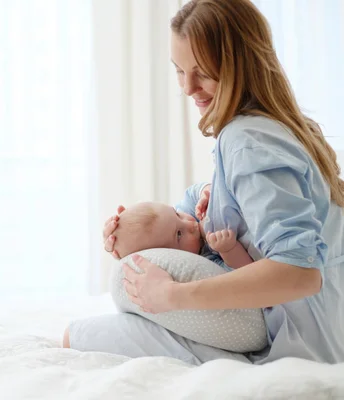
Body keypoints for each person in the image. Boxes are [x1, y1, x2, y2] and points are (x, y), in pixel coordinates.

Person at [63, 0, 344, 365]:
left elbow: (300, 273)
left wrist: (173, 296)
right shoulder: (283, 128)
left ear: (243, 64)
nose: (189, 88)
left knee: (90, 323)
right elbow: (249, 209)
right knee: (119, 294)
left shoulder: (248, 140)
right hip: (323, 328)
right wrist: (137, 233)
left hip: (296, 342)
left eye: (203, 72)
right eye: (179, 71)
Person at [113, 182, 252, 270]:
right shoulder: (202, 261)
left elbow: (193, 193)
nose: (190, 224)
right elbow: (246, 271)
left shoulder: (188, 211)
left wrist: (207, 194)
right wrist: (229, 250)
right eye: (179, 234)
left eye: (177, 214)